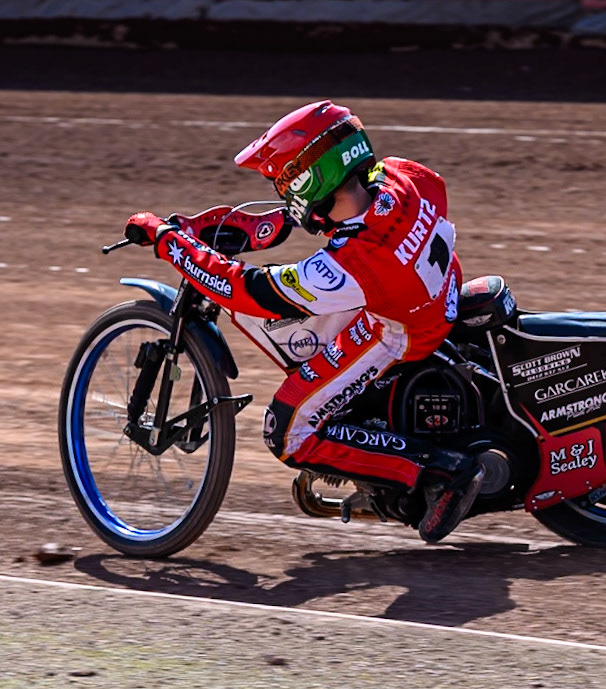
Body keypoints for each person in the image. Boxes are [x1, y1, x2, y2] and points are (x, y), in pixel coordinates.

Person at [123, 100, 503, 543]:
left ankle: (438, 470)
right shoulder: (403, 176)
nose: (283, 192)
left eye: (284, 183)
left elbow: (248, 291)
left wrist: (169, 241)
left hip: (397, 333)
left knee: (285, 432)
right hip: (433, 293)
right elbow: (327, 214)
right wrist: (234, 226)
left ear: (310, 179)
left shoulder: (350, 265)